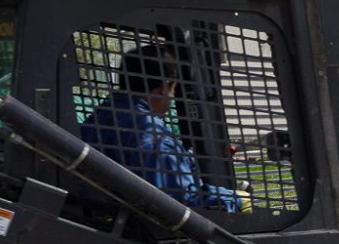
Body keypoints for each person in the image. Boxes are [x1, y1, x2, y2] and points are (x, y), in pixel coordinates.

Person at [81, 43, 242, 212]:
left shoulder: (99, 118)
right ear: (163, 89)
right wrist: (234, 200)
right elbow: (182, 208)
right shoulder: (153, 137)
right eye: (174, 88)